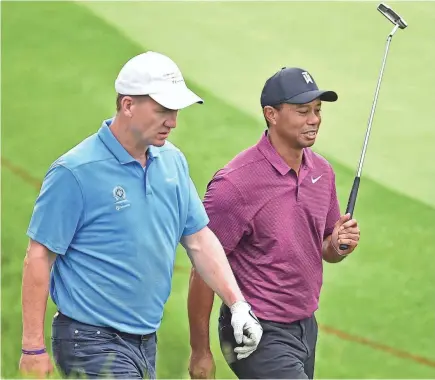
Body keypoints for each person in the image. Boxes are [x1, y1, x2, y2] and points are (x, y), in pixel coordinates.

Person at [19, 51, 263, 379]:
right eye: (162, 110)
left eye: (175, 111)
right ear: (128, 105)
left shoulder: (172, 162)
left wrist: (238, 305)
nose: (173, 122)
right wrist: (32, 347)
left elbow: (199, 240)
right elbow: (39, 256)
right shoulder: (75, 171)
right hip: (89, 339)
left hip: (145, 341)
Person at [187, 67, 361, 379]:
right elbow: (203, 265)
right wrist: (200, 351)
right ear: (272, 115)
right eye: (302, 111)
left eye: (318, 110)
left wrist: (338, 245)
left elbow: (326, 249)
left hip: (306, 327)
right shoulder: (235, 185)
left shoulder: (323, 173)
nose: (314, 119)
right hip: (254, 328)